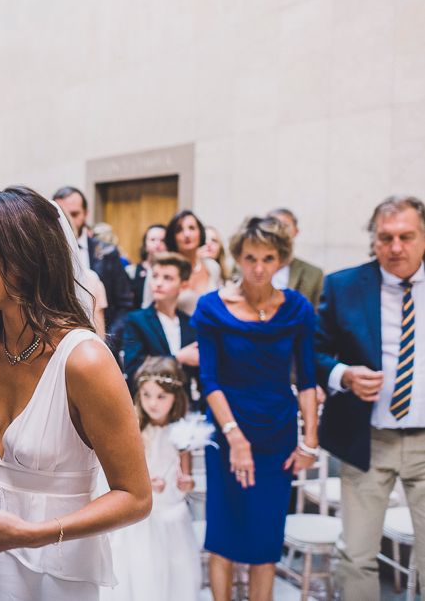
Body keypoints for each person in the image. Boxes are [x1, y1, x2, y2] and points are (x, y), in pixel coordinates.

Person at [0, 186, 151, 601]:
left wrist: (33, 534)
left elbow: (136, 496)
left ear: (23, 252)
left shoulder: (85, 361)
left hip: (56, 571)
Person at [192, 216, 318, 601]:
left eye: (268, 258)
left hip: (277, 433)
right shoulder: (212, 308)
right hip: (228, 428)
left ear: (281, 260)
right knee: (224, 537)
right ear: (238, 258)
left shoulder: (297, 308)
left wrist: (310, 440)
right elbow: (209, 381)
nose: (259, 268)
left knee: (266, 540)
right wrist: (234, 436)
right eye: (250, 258)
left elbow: (308, 380)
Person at [315, 195, 425, 601]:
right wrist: (342, 375)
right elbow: (312, 353)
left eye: (406, 236)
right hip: (367, 439)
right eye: (386, 237)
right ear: (373, 240)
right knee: (356, 555)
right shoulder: (343, 286)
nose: (396, 247)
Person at [101, 356, 201, 601]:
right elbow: (124, 472)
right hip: (143, 515)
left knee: (175, 572)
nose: (152, 403)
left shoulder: (182, 432)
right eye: (146, 395)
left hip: (172, 513)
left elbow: (185, 477)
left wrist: (186, 483)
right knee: (144, 571)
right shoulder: (135, 428)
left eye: (160, 397)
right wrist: (147, 483)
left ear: (175, 397)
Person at [53, 186, 134, 356]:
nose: (69, 221)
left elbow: (125, 304)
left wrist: (107, 342)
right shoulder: (47, 256)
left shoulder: (107, 252)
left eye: (74, 214)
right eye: (62, 214)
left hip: (102, 344)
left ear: (85, 213)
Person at [122, 252, 199, 397]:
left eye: (167, 278)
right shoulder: (137, 320)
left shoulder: (190, 324)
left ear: (183, 285)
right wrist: (178, 358)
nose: (158, 283)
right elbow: (133, 369)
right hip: (147, 403)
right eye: (155, 276)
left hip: (185, 406)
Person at [164, 210, 222, 316]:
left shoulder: (212, 266)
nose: (186, 234)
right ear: (173, 237)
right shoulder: (163, 269)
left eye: (192, 228)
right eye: (179, 230)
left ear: (200, 232)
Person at [268, 207, 324, 309]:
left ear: (296, 231)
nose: (278, 231)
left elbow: (318, 315)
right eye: (272, 225)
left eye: (284, 226)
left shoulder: (313, 273)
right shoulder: (245, 268)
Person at [127, 224, 167, 310]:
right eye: (153, 240)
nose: (157, 244)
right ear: (145, 244)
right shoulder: (131, 271)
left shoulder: (173, 273)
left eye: (163, 240)